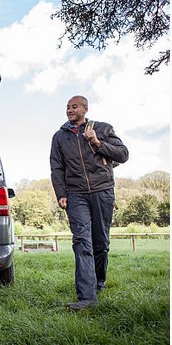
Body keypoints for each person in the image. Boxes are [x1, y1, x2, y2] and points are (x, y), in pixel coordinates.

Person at [50, 95, 129, 311]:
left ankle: (99, 281)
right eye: (67, 107)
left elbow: (123, 154)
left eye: (74, 107)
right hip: (76, 195)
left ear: (85, 109)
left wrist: (97, 142)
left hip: (103, 191)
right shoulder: (59, 137)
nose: (69, 110)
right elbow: (56, 167)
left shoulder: (102, 128)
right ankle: (86, 297)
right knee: (81, 242)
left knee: (100, 243)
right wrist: (61, 193)